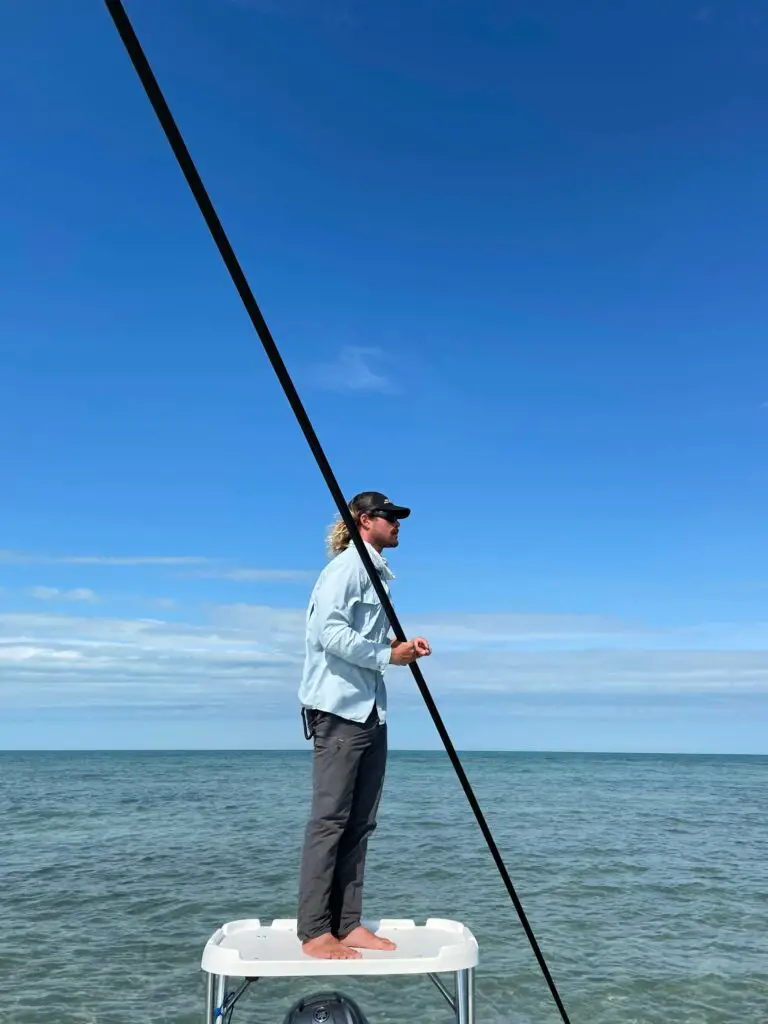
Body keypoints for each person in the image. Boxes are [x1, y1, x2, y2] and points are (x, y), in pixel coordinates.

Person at [296, 490, 432, 960]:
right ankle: (315, 932)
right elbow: (327, 633)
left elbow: (362, 637)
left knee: (361, 821)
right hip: (339, 711)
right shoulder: (347, 568)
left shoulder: (374, 573)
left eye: (398, 517)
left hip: (370, 710)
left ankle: (347, 923)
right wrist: (384, 656)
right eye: (390, 517)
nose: (398, 524)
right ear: (365, 520)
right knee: (330, 822)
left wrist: (401, 649)